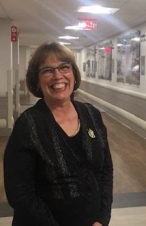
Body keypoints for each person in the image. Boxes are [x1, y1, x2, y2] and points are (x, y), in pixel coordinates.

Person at [4, 42, 113, 226]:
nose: (58, 76)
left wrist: (101, 219)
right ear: (37, 80)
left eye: (64, 67)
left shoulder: (92, 115)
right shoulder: (28, 125)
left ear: (74, 73)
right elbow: (20, 194)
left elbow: (104, 171)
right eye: (47, 70)